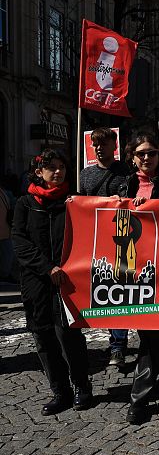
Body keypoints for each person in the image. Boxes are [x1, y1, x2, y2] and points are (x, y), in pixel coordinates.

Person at [13, 149, 92, 415]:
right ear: (39, 172)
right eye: (52, 167)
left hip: (68, 281)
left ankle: (82, 387)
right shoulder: (25, 204)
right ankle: (60, 391)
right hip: (36, 282)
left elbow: (95, 224)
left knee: (69, 335)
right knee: (43, 337)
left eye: (62, 167)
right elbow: (20, 242)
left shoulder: (74, 200)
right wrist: (47, 267)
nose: (58, 172)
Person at [117, 133, 159, 425]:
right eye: (141, 153)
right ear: (132, 158)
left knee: (149, 323)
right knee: (148, 324)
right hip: (131, 263)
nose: (147, 158)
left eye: (152, 153)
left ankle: (139, 398)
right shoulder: (123, 184)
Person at [79, 127, 131, 367]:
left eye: (104, 143)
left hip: (123, 238)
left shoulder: (127, 172)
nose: (99, 148)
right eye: (95, 144)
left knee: (120, 290)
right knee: (105, 291)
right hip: (96, 240)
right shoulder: (85, 174)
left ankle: (118, 345)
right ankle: (116, 341)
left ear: (114, 146)